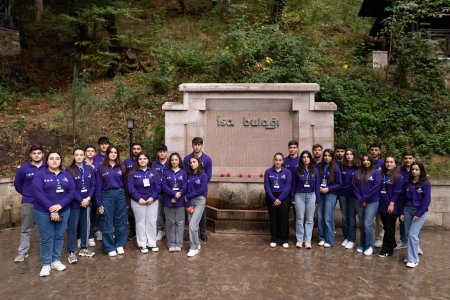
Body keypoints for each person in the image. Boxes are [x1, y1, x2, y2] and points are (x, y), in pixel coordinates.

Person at [32, 152, 75, 277]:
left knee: (59, 236)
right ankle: (46, 263)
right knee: (47, 237)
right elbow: (38, 193)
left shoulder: (66, 174)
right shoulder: (40, 175)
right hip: (43, 211)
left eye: (57, 158)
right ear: (47, 161)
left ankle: (55, 260)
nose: (54, 161)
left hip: (64, 210)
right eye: (51, 158)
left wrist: (60, 206)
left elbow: (71, 192)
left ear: (61, 161)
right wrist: (51, 209)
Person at [13, 145, 46, 262]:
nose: (36, 155)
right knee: (26, 228)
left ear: (42, 154)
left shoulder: (47, 166)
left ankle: (46, 253)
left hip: (45, 203)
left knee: (45, 229)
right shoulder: (24, 168)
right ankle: (22, 253)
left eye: (39, 153)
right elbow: (17, 185)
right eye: (34, 153)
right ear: (30, 155)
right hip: (28, 202)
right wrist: (27, 194)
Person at [95, 146, 128, 257]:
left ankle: (120, 244)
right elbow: (98, 186)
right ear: (107, 154)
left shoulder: (122, 167)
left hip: (120, 194)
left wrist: (127, 199)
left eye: (115, 152)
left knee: (121, 220)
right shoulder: (101, 168)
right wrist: (98, 203)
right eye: (111, 152)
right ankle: (109, 246)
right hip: (107, 195)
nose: (113, 154)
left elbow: (126, 184)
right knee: (107, 220)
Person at [66, 148, 96, 264]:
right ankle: (71, 252)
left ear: (84, 157)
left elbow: (93, 184)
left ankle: (84, 248)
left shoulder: (89, 168)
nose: (79, 157)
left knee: (85, 225)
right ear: (73, 156)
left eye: (81, 155)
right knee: (73, 227)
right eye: (76, 155)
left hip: (87, 201)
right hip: (75, 203)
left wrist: (88, 198)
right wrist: (80, 199)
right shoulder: (69, 170)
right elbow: (70, 188)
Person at [400, 162, 431, 268]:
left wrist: (418, 213)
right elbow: (402, 199)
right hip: (407, 210)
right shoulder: (407, 183)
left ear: (421, 170)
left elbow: (427, 200)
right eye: (413, 169)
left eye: (417, 169)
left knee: (413, 235)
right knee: (409, 234)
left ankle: (412, 259)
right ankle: (412, 256)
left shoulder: (425, 183)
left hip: (419, 212)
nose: (414, 171)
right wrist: (401, 212)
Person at [127, 152, 160, 253]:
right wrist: (138, 198)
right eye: (140, 159)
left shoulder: (154, 171)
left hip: (152, 201)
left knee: (151, 222)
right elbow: (130, 188)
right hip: (138, 201)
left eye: (144, 158)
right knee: (140, 223)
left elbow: (158, 186)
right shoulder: (133, 172)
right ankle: (142, 244)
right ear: (137, 161)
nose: (142, 160)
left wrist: (153, 198)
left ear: (148, 160)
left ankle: (152, 243)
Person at [183, 137, 212, 242]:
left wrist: (200, 185)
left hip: (201, 190)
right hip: (189, 189)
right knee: (190, 211)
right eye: (195, 144)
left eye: (199, 144)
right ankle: (190, 232)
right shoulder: (187, 159)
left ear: (201, 145)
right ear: (192, 145)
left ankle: (203, 232)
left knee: (202, 211)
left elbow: (208, 176)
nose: (196, 146)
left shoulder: (207, 159)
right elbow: (185, 174)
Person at [353, 154, 382, 256]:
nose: (365, 161)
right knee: (361, 224)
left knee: (367, 224)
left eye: (367, 160)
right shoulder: (358, 172)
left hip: (372, 201)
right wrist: (360, 199)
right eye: (364, 160)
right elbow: (353, 187)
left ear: (371, 161)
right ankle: (362, 244)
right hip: (360, 201)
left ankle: (370, 246)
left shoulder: (376, 173)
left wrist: (363, 199)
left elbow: (376, 189)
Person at [264, 153, 292, 248]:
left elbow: (288, 187)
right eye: (276, 160)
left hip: (283, 197)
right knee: (273, 218)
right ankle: (274, 238)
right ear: (273, 160)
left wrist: (280, 199)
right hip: (271, 197)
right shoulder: (268, 172)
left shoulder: (287, 172)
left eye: (280, 160)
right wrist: (273, 198)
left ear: (283, 161)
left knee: (283, 218)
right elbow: (267, 186)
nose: (278, 162)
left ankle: (284, 239)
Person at [292, 151, 319, 249]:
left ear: (310, 159)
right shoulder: (296, 170)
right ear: (301, 159)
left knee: (309, 219)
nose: (306, 159)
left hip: (311, 196)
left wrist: (317, 199)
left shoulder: (315, 170)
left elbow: (317, 185)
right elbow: (293, 185)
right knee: (299, 219)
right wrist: (292, 197)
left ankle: (307, 240)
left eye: (307, 157)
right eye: (304, 157)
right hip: (299, 196)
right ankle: (299, 240)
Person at [378, 155, 404, 257]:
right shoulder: (382, 174)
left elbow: (397, 192)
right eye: (387, 162)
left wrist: (392, 204)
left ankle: (386, 249)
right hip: (382, 205)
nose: (389, 164)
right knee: (387, 227)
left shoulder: (399, 176)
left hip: (392, 206)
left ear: (395, 164)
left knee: (389, 227)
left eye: (391, 162)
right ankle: (392, 244)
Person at [162, 153, 188, 252]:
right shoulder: (166, 172)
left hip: (180, 201)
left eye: (176, 159)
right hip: (169, 201)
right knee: (170, 222)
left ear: (179, 161)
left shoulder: (183, 172)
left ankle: (179, 243)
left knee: (180, 222)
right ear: (170, 161)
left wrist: (178, 195)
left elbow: (185, 186)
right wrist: (173, 194)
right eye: (172, 160)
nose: (174, 161)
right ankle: (171, 243)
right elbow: (164, 186)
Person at [318, 149, 342, 247]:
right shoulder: (320, 166)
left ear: (332, 157)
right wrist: (319, 187)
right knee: (320, 217)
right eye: (325, 155)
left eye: (329, 156)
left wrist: (328, 189)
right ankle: (322, 237)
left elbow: (339, 184)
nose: (327, 157)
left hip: (330, 194)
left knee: (328, 217)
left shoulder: (336, 168)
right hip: (321, 193)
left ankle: (329, 240)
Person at [185, 156, 208, 257]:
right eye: (190, 162)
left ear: (198, 163)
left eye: (194, 162)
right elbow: (185, 189)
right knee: (192, 224)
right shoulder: (188, 175)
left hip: (199, 201)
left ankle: (193, 247)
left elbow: (202, 190)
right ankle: (197, 243)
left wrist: (188, 196)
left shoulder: (203, 175)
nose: (192, 164)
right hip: (190, 202)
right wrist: (188, 204)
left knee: (193, 225)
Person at [339, 148, 360, 250]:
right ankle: (346, 237)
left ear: (354, 155)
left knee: (351, 218)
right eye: (347, 154)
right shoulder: (342, 166)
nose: (349, 156)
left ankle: (352, 239)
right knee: (344, 217)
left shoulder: (358, 167)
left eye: (351, 154)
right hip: (343, 194)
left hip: (353, 195)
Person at [395, 150, 415, 251]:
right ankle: (403, 241)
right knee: (402, 221)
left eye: (410, 158)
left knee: (414, 223)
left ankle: (415, 244)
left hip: (413, 201)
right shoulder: (398, 170)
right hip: (400, 200)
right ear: (403, 159)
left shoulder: (416, 169)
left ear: (414, 159)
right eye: (406, 158)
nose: (408, 160)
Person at [124, 142, 142, 241]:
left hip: (143, 191)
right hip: (130, 190)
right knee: (131, 212)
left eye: (138, 148)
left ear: (141, 149)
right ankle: (133, 231)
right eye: (134, 149)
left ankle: (142, 232)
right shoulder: (127, 162)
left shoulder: (145, 160)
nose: (136, 151)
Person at [369, 143, 384, 248]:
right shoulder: (366, 162)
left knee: (380, 220)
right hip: (368, 195)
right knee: (368, 220)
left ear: (379, 151)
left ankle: (379, 238)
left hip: (380, 195)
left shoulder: (383, 163)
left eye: (376, 149)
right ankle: (368, 239)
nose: (374, 151)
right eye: (372, 150)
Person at [152, 144, 168, 241]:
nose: (162, 153)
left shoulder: (170, 163)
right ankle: (160, 230)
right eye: (160, 152)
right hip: (158, 192)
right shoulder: (154, 164)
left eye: (164, 151)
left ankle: (169, 231)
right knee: (159, 213)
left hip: (169, 193)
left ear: (166, 152)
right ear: (158, 153)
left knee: (169, 213)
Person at [83, 145, 97, 247]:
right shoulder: (80, 164)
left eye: (92, 151)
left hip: (96, 193)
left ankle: (91, 236)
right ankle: (81, 237)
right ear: (85, 153)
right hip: (84, 194)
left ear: (95, 153)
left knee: (92, 216)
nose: (90, 153)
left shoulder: (98, 164)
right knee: (83, 217)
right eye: (88, 151)